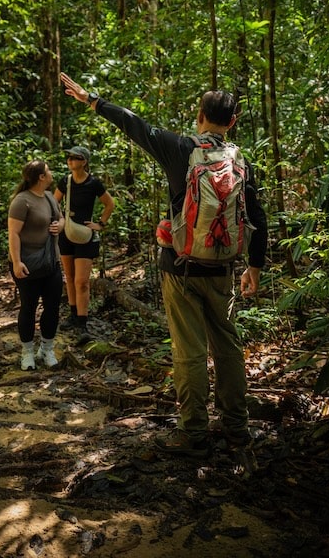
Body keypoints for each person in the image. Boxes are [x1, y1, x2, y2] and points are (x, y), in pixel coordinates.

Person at [60, 72, 268, 457]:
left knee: (189, 351)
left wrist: (93, 100)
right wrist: (254, 267)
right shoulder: (240, 161)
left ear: (199, 115)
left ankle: (193, 432)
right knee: (227, 346)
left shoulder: (179, 149)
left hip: (181, 268)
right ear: (232, 122)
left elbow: (134, 124)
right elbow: (257, 214)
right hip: (222, 270)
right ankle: (237, 428)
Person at [52, 146, 114, 341]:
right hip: (66, 234)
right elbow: (54, 203)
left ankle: (83, 320)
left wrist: (100, 224)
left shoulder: (94, 183)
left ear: (84, 161)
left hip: (85, 235)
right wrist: (60, 220)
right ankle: (73, 315)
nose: (70, 160)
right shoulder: (65, 181)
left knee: (82, 281)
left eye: (75, 158)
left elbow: (109, 203)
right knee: (69, 277)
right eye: (69, 157)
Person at [7, 159, 64, 371]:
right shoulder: (22, 201)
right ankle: (27, 352)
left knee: (52, 307)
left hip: (51, 263)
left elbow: (62, 218)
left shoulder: (49, 197)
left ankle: (47, 349)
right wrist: (16, 262)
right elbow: (13, 233)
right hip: (28, 264)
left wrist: (60, 225)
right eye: (48, 171)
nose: (51, 174)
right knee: (29, 308)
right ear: (41, 177)